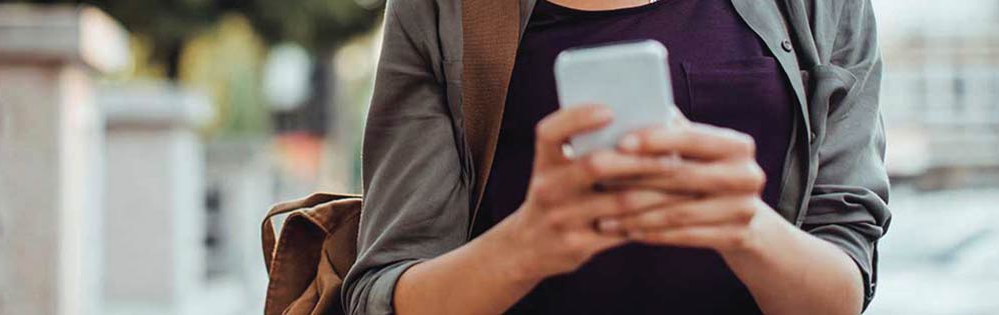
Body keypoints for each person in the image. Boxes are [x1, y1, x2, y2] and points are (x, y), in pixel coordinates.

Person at [344, 0, 892, 314]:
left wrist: (746, 227)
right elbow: (381, 293)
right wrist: (527, 245)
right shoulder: (444, 11)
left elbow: (843, 287)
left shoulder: (818, 7)